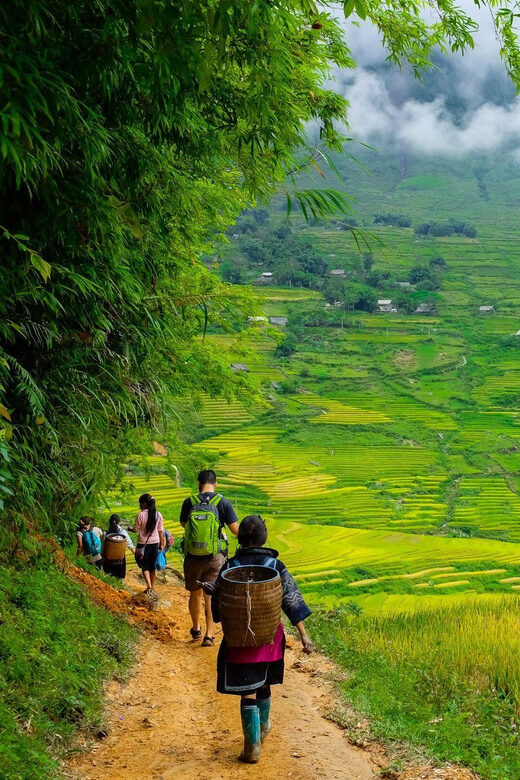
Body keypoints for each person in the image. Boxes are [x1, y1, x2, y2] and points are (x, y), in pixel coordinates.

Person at [211, 515, 313, 764]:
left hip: (239, 643)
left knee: (248, 692)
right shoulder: (275, 566)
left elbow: (217, 609)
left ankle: (252, 746)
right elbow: (291, 599)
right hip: (269, 642)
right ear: (264, 538)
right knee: (264, 683)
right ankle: (264, 725)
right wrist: (303, 634)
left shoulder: (229, 567)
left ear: (240, 538)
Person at [179, 469, 239, 646]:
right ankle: (209, 634)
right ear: (216, 483)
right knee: (210, 596)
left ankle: (196, 628)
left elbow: (184, 524)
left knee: (194, 594)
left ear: (198, 483)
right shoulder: (223, 502)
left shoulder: (189, 501)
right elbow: (235, 530)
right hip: (215, 557)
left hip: (192, 556)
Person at [133, 493, 165, 593]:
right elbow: (160, 530)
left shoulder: (140, 515)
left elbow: (136, 529)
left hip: (143, 544)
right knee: (152, 566)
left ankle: (149, 586)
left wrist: (131, 528)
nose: (139, 505)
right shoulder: (158, 514)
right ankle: (153, 586)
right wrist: (162, 543)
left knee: (144, 565)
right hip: (155, 543)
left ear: (145, 504)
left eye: (140, 503)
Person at [102, 513, 135, 580]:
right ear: (119, 522)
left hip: (108, 561)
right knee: (119, 579)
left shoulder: (105, 533)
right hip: (120, 561)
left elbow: (102, 547)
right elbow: (130, 545)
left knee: (108, 578)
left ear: (109, 522)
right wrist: (137, 555)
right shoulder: (123, 533)